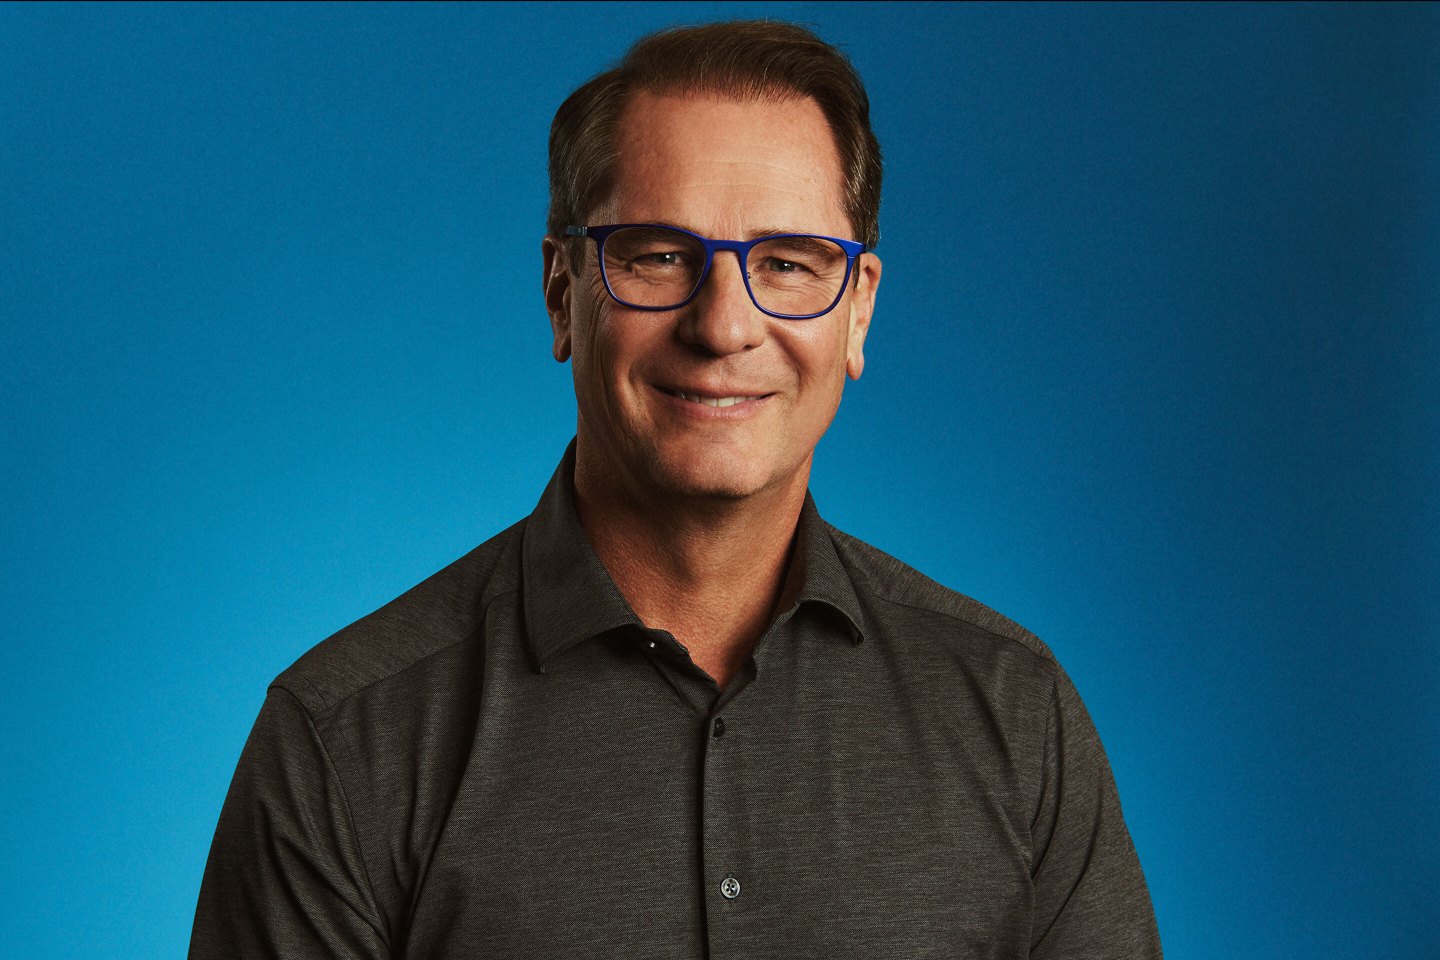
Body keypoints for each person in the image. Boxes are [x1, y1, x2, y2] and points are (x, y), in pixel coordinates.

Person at [190, 20, 1162, 959]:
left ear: (858, 311)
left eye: (789, 264)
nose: (725, 326)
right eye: (659, 255)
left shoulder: (1015, 715)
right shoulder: (345, 739)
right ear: (564, 290)